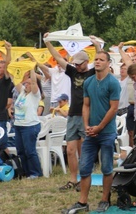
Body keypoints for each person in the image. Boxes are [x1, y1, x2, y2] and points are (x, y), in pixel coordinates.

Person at [64, 51, 121, 214]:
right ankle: (83, 201)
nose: (97, 62)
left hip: (107, 132)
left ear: (108, 63)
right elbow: (86, 105)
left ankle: (104, 199)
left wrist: (99, 127)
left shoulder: (113, 83)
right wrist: (87, 125)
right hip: (90, 132)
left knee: (107, 168)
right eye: (96, 59)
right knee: (85, 167)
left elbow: (114, 108)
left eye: (101, 60)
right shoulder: (88, 82)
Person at [46, 34, 99, 192]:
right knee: (70, 150)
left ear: (86, 62)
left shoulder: (91, 73)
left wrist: (96, 44)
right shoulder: (72, 71)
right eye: (75, 63)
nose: (76, 66)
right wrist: (47, 41)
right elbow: (57, 56)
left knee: (84, 149)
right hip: (72, 114)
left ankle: (84, 178)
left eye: (79, 64)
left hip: (86, 115)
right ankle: (73, 179)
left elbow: (100, 58)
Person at [13, 66, 43, 179]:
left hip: (30, 126)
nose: (27, 85)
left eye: (29, 84)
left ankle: (36, 173)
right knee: (21, 151)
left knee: (30, 151)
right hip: (19, 126)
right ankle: (26, 172)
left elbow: (35, 81)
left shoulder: (35, 95)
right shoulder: (22, 92)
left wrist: (31, 67)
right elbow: (14, 79)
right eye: (26, 83)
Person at [0, 42, 14, 158]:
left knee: (2, 144)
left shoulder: (5, 81)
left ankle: (10, 163)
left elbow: (8, 65)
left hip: (0, 116)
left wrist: (8, 51)